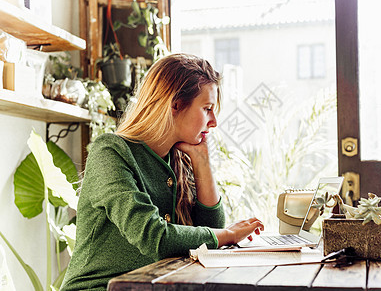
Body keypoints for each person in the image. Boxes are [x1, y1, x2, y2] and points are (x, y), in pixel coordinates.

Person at [61, 53, 264, 290]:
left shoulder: (176, 157)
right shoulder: (110, 152)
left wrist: (202, 162)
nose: (214, 121)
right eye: (207, 108)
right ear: (175, 105)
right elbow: (153, 236)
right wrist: (228, 234)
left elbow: (210, 231)